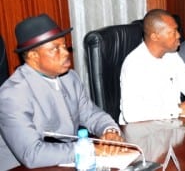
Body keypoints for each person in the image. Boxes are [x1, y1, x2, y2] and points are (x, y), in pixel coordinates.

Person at [0, 14, 124, 170]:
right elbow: (32, 154)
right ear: (33, 56)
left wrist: (110, 131)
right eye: (55, 49)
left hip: (65, 162)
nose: (65, 53)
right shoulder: (12, 94)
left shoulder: (70, 77)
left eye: (64, 46)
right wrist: (90, 149)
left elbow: (91, 113)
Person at [119, 9, 185, 125]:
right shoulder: (134, 64)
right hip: (142, 133)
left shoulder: (171, 55)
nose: (179, 35)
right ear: (155, 37)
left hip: (171, 128)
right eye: (174, 31)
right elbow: (132, 114)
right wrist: (179, 109)